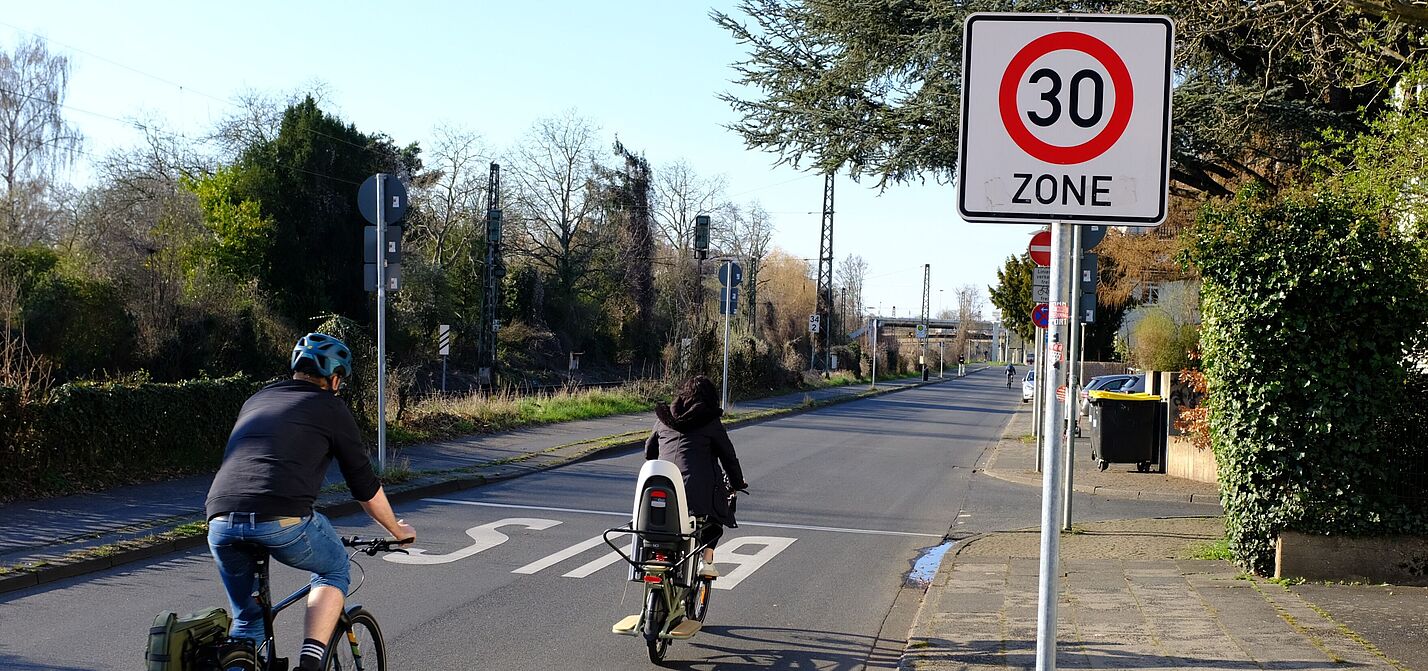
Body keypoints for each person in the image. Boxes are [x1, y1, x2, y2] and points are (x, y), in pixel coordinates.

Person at [206, 332, 415, 670]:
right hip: (281, 518)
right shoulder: (330, 407)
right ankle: (311, 663)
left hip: (219, 519)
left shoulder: (257, 399)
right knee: (334, 569)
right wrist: (396, 529)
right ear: (334, 379)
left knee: (247, 620)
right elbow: (364, 486)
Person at [644, 375, 747, 579]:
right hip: (696, 494)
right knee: (715, 518)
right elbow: (729, 457)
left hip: (662, 488)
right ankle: (706, 561)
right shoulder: (711, 422)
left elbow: (649, 451)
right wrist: (737, 483)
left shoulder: (664, 420)